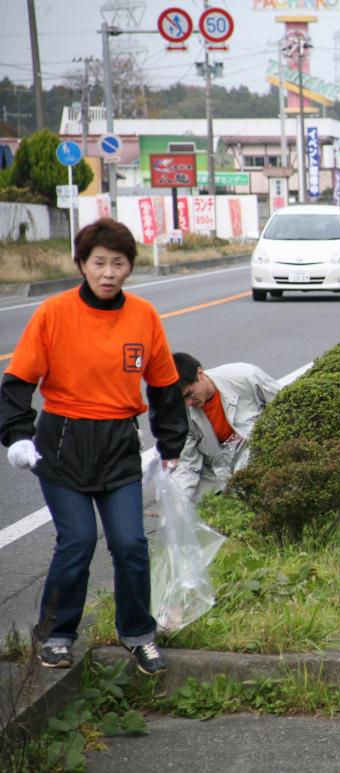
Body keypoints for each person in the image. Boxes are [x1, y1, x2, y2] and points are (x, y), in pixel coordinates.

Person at [0, 219, 188, 674]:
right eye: (98, 262)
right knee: (78, 540)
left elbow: (163, 386)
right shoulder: (54, 313)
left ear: (129, 268)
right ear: (81, 264)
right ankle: (57, 634)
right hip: (63, 442)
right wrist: (18, 436)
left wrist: (170, 447)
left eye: (118, 264)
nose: (108, 273)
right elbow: (18, 381)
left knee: (129, 543)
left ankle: (138, 634)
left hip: (119, 443)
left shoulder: (143, 316)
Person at [171, 353, 280, 504]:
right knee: (196, 512)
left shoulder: (246, 377)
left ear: (200, 374)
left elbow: (286, 407)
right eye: (182, 399)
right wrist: (178, 503)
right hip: (215, 472)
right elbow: (187, 463)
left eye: (190, 394)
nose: (189, 403)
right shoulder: (180, 412)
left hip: (262, 455)